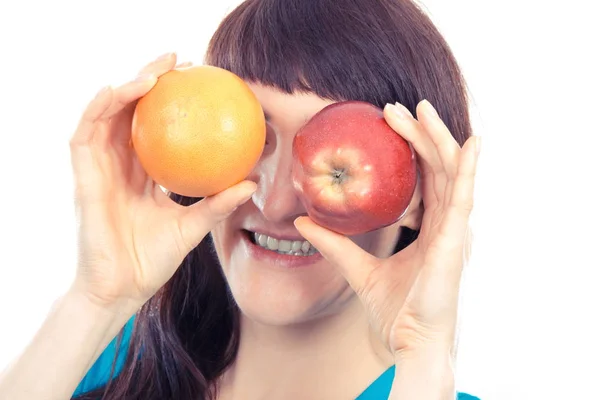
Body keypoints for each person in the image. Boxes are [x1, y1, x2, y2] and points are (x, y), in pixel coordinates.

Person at [0, 0, 482, 399]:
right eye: (255, 139)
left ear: (422, 194)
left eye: (334, 156)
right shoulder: (101, 360)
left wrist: (422, 355)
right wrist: (96, 299)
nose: (274, 203)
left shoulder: (426, 387)